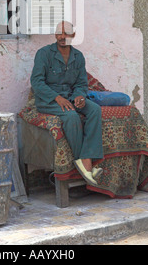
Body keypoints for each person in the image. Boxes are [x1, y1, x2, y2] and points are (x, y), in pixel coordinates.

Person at [30, 21, 104, 186]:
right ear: (55, 35)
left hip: (70, 97)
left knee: (95, 110)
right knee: (71, 116)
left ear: (73, 36)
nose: (62, 37)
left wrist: (79, 96)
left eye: (67, 34)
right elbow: (36, 82)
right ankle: (84, 163)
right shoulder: (44, 54)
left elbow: (81, 84)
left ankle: (86, 158)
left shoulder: (78, 57)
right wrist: (57, 98)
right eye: (59, 33)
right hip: (48, 100)